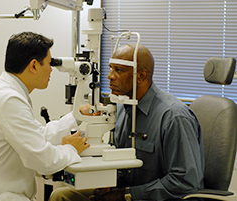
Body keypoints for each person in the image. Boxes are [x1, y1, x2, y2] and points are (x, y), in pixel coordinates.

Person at [49, 44, 204, 201]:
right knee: (61, 195)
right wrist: (109, 181)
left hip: (157, 197)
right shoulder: (123, 107)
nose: (110, 76)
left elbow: (185, 183)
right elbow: (122, 164)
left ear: (141, 76)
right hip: (128, 191)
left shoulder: (173, 117)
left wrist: (127, 195)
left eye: (119, 70)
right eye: (110, 68)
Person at [0, 32, 93, 201]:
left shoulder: (9, 91)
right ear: (34, 66)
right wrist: (71, 149)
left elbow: (38, 135)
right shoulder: (8, 100)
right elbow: (43, 161)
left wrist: (76, 115)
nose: (51, 69)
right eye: (49, 63)